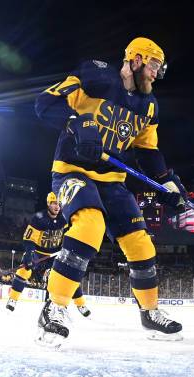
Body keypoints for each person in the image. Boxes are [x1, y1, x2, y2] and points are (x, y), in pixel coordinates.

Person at [34, 37, 185, 346]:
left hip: (112, 180)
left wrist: (167, 181)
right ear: (138, 59)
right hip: (72, 171)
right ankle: (54, 306)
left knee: (141, 244)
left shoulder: (150, 105)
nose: (157, 74)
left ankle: (149, 312)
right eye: (155, 65)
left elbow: (148, 151)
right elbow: (44, 103)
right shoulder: (95, 76)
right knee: (90, 226)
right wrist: (77, 123)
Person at [6, 192, 90, 317]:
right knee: (24, 270)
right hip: (38, 253)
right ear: (48, 203)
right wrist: (30, 253)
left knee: (68, 276)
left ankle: (81, 304)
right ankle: (13, 299)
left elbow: (73, 230)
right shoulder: (39, 218)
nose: (57, 206)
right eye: (54, 203)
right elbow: (29, 238)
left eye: (59, 204)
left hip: (55, 254)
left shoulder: (65, 217)